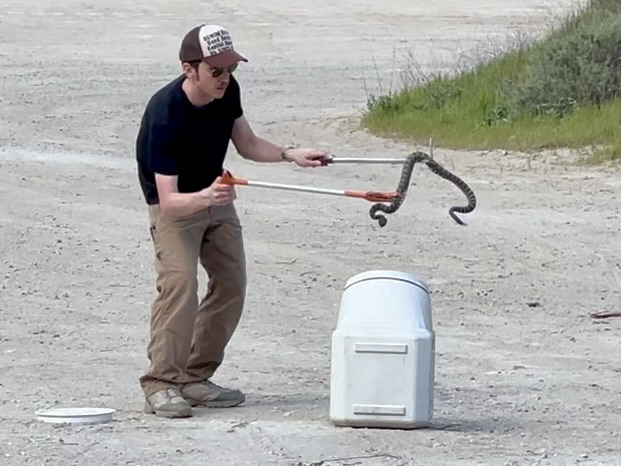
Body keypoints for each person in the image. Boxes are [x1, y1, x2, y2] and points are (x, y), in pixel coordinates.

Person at [135, 23, 330, 418]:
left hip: (215, 194)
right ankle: (161, 383)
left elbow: (247, 144)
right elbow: (169, 200)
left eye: (230, 69)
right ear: (190, 69)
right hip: (177, 207)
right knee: (180, 287)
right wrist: (205, 197)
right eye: (216, 71)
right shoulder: (165, 114)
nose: (225, 78)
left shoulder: (227, 93)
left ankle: (195, 376)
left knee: (231, 284)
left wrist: (291, 154)